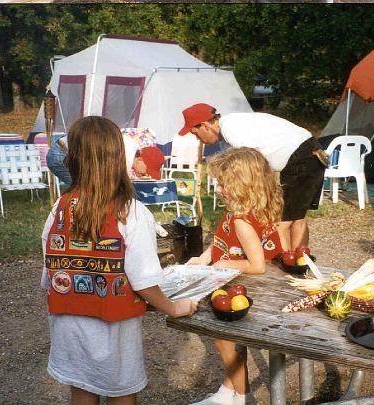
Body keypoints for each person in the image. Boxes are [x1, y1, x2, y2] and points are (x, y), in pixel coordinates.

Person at [40, 116, 198, 404]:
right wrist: (173, 307)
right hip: (113, 327)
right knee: (122, 391)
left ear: (73, 160)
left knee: (81, 388)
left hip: (69, 324)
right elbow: (144, 282)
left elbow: (49, 272)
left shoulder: (59, 208)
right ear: (118, 158)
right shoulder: (132, 212)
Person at [186, 147, 284, 405]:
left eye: (222, 184)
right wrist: (206, 258)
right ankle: (226, 394)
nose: (217, 189)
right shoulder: (248, 207)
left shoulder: (242, 220)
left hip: (245, 285)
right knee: (229, 342)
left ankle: (240, 398)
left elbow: (257, 265)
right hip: (247, 284)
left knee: (224, 343)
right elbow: (222, 239)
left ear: (242, 185)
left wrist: (223, 263)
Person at [178, 103, 327, 265]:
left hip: (301, 157)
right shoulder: (232, 124)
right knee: (297, 218)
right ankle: (300, 262)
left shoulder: (231, 131)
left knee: (283, 222)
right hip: (311, 150)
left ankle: (287, 268)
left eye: (196, 133)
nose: (198, 139)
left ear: (205, 125)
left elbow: (251, 166)